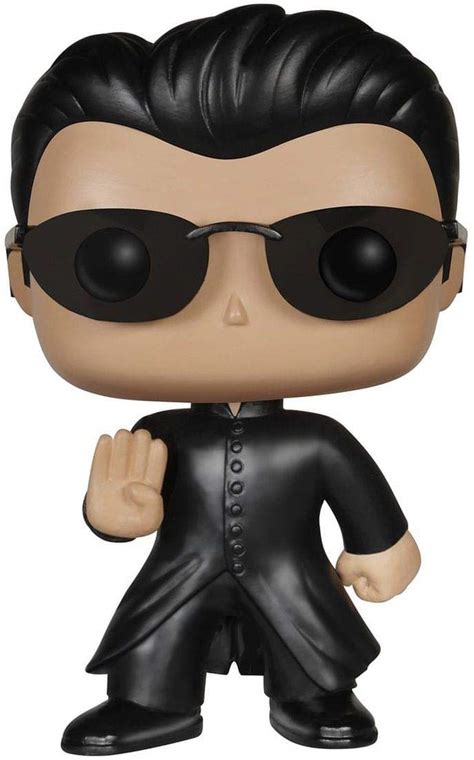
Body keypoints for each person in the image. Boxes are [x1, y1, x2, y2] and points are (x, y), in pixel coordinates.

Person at [6, 4, 466, 753]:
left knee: (309, 640)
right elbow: (122, 505)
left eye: (351, 257)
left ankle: (314, 699)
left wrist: (384, 544)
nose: (235, 309)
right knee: (153, 639)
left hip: (292, 574)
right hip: (180, 569)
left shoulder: (318, 441)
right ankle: (152, 705)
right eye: (121, 262)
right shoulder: (159, 434)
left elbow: (360, 497)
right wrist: (111, 515)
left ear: (449, 268)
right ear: (22, 275)